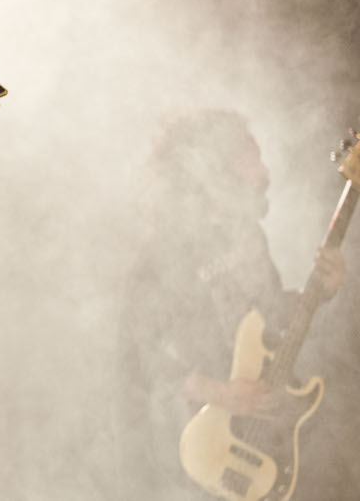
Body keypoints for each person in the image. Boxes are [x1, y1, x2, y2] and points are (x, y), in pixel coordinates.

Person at [115, 109, 346, 500]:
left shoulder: (249, 235)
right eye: (252, 160)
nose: (264, 172)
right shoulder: (161, 257)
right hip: (199, 451)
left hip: (260, 431)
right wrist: (220, 392)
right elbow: (145, 357)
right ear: (215, 173)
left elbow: (270, 318)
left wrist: (320, 291)